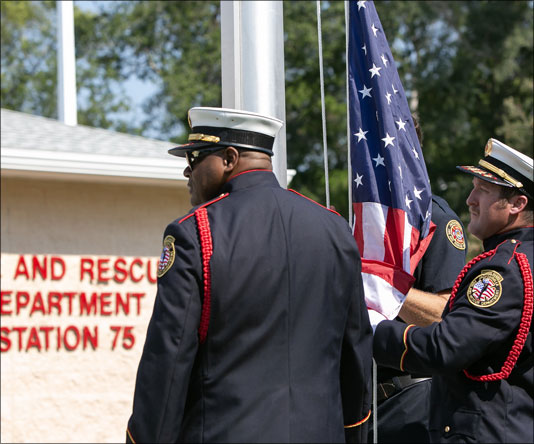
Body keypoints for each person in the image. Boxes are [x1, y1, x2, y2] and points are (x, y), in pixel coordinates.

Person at [126, 107, 373, 443]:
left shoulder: (195, 232)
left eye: (197, 158)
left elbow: (168, 362)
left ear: (229, 158)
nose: (188, 170)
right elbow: (355, 352)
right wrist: (352, 435)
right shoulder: (334, 229)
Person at [373, 138, 533, 443]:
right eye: (473, 187)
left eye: (483, 191)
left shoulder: (505, 269)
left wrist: (371, 330)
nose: (471, 200)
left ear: (517, 204)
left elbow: (445, 346)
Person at [370, 116, 468, 443]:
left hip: (412, 400)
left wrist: (380, 284)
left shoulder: (437, 220)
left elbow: (443, 316)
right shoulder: (369, 221)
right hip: (364, 403)